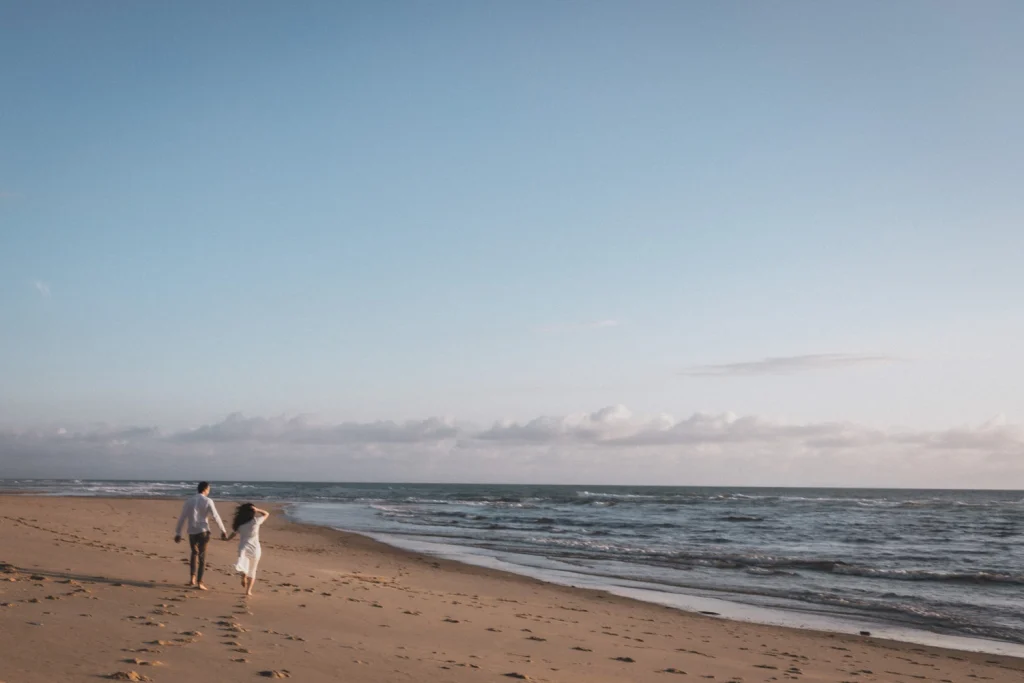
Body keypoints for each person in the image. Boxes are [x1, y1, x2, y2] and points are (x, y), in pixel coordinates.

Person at [174, 481, 228, 590]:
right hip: (203, 530)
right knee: (202, 556)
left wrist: (178, 533)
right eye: (209, 489)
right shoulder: (208, 501)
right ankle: (200, 582)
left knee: (194, 554)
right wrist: (223, 530)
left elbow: (182, 517)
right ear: (205, 489)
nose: (209, 490)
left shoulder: (189, 501)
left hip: (192, 531)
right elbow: (215, 516)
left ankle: (192, 579)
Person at [227, 503, 270, 597]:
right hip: (255, 549)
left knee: (243, 563)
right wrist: (257, 509)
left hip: (243, 548)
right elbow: (266, 514)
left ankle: (243, 575)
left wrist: (227, 539)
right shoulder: (255, 521)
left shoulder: (240, 525)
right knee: (253, 569)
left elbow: (233, 534)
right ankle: (248, 591)